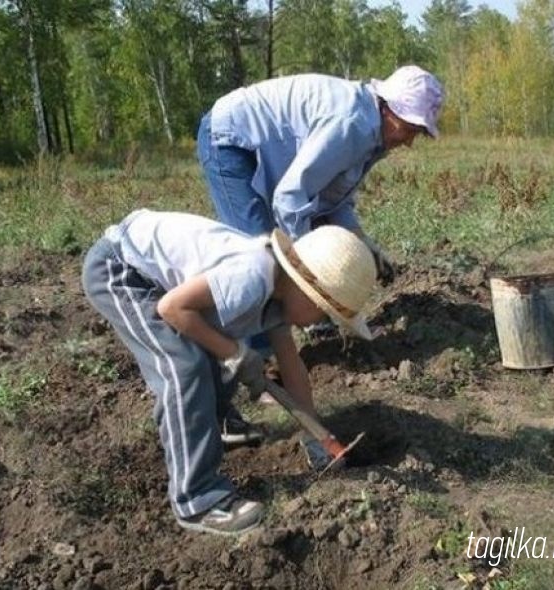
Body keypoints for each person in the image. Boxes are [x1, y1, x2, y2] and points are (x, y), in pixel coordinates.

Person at [81, 209, 377, 535]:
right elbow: (171, 309)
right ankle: (198, 500)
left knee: (217, 351)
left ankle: (218, 422)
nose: (318, 321)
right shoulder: (251, 277)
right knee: (185, 367)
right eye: (323, 311)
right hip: (123, 272)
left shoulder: (280, 297)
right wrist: (234, 353)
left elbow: (292, 367)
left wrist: (314, 433)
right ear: (304, 286)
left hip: (164, 286)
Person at [196, 64, 444, 284]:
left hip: (251, 143)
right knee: (258, 259)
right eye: (409, 129)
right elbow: (290, 199)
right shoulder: (352, 126)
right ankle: (255, 333)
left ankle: (299, 321)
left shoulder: (373, 131)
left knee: (276, 265)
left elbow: (331, 200)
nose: (410, 141)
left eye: (417, 132)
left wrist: (364, 245)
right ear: (389, 110)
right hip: (231, 139)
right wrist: (311, 270)